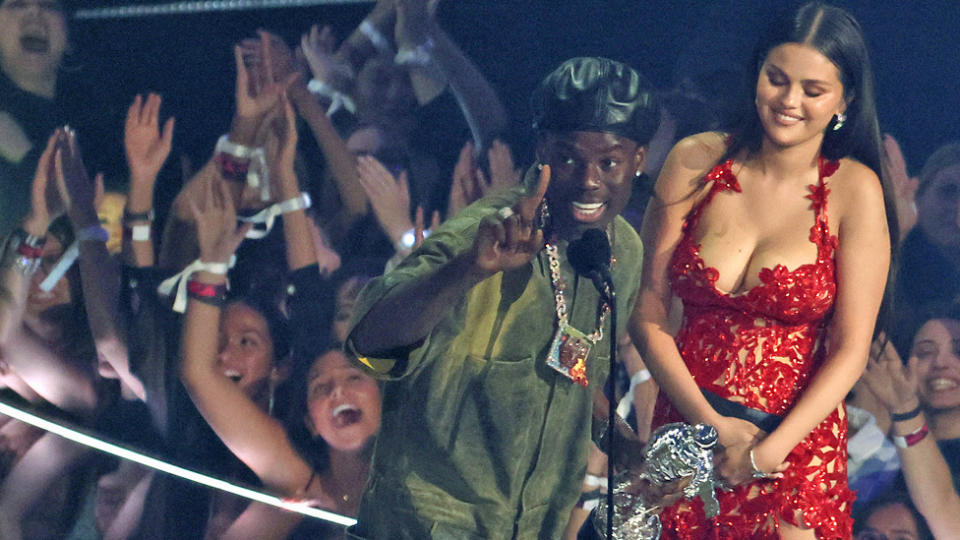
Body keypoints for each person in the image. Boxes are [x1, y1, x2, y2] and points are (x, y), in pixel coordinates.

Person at [345, 56, 659, 539]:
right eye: (570, 158)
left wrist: (612, 435)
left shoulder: (623, 250)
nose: (589, 180)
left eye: (610, 162)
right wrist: (467, 270)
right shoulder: (483, 235)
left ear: (638, 160)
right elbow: (369, 344)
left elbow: (574, 366)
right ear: (541, 151)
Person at [631, 2, 897, 538]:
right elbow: (648, 311)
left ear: (844, 99)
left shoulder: (855, 190)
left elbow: (851, 350)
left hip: (792, 448)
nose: (789, 101)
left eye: (812, 90)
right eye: (777, 80)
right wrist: (713, 431)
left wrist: (763, 453)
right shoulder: (693, 160)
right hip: (689, 425)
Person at [860, 310, 960, 538]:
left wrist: (905, 410)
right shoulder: (878, 457)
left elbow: (948, 518)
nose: (941, 363)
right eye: (925, 352)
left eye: (959, 351)